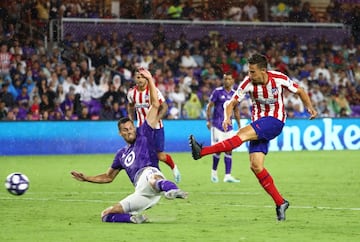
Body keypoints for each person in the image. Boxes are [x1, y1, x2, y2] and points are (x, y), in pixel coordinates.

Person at [189, 53, 317, 221]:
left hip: (275, 121)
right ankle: (280, 202)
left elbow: (299, 90)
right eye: (248, 71)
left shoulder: (278, 78)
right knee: (256, 165)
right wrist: (227, 117)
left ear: (263, 70)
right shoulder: (247, 83)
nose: (249, 75)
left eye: (253, 72)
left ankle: (203, 151)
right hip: (258, 123)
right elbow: (232, 103)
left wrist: (310, 108)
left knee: (241, 135)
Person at [71, 67, 187, 224]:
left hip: (149, 175)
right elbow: (108, 177)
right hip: (142, 193)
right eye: (125, 130)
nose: (130, 131)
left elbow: (155, 104)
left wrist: (151, 80)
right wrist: (87, 178)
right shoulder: (121, 154)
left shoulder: (144, 133)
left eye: (131, 128)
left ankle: (172, 189)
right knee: (106, 214)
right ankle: (134, 218)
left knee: (153, 178)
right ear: (120, 133)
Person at [127, 69, 181, 183]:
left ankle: (174, 167)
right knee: (146, 156)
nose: (140, 79)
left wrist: (156, 119)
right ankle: (156, 179)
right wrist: (131, 120)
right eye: (137, 77)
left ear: (146, 78)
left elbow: (164, 106)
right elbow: (130, 105)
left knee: (160, 156)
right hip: (141, 128)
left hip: (157, 128)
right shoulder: (132, 93)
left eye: (142, 77)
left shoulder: (153, 91)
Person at [206, 72, 241, 183]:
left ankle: (227, 175)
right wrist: (208, 121)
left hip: (229, 127)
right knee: (218, 150)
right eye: (225, 79)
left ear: (233, 81)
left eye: (229, 79)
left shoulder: (235, 94)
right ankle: (214, 173)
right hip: (217, 125)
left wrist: (239, 125)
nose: (226, 81)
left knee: (229, 150)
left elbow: (236, 111)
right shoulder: (217, 92)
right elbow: (209, 106)